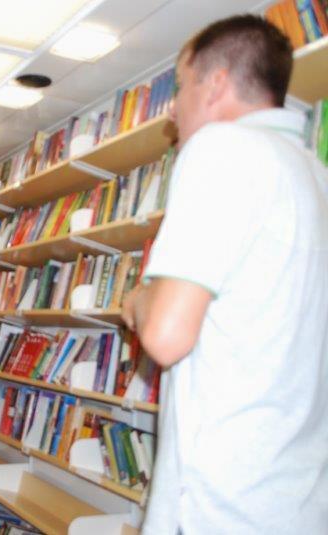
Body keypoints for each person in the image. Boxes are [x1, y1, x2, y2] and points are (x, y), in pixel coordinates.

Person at [121, 15, 328, 535]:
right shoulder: (317, 177)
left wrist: (138, 298)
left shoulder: (221, 149)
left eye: (180, 85)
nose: (172, 107)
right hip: (301, 506)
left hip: (220, 506)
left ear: (214, 85)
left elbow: (165, 335)